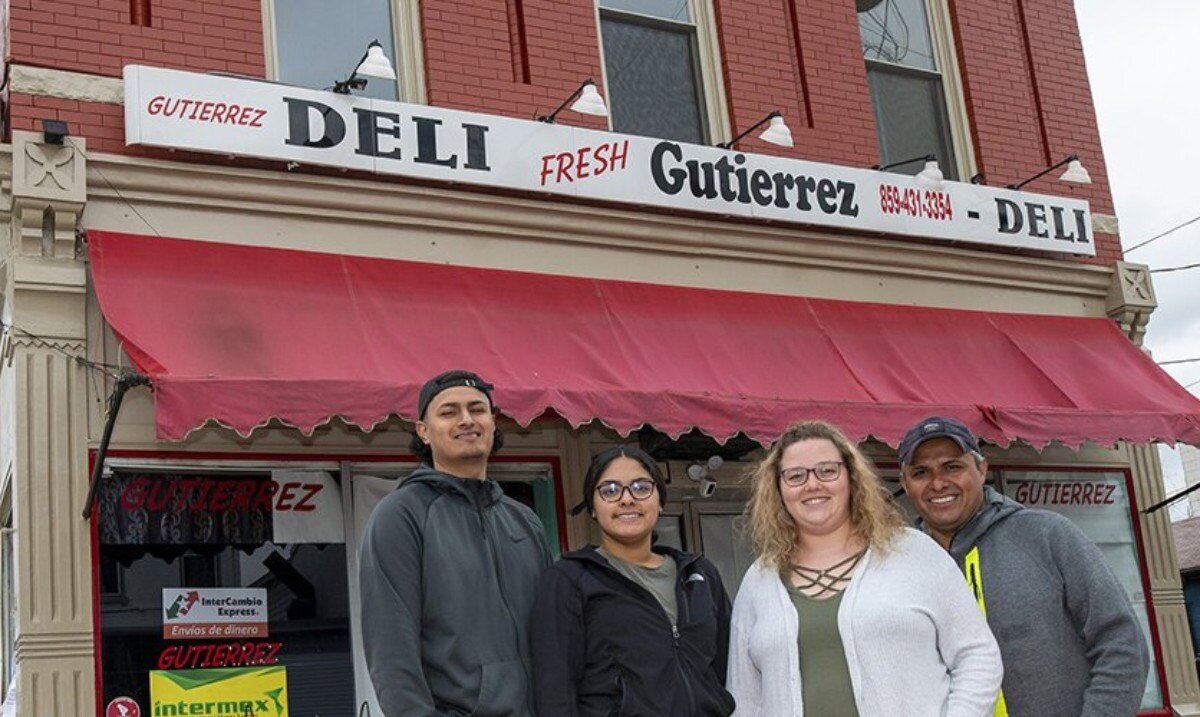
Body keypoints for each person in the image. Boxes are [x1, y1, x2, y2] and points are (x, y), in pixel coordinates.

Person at [728, 420, 1002, 716]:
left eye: (827, 471)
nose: (812, 484)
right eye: (795, 476)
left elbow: (977, 656)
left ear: (851, 478)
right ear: (778, 489)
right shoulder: (759, 580)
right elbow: (744, 698)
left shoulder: (914, 553)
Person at [898, 415, 1149, 716]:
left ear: (981, 469)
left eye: (952, 466)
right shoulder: (899, 567)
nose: (938, 483)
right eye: (921, 472)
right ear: (905, 484)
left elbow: (1122, 644)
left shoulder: (1047, 536)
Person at [359, 369, 553, 717]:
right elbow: (391, 655)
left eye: (477, 409)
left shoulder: (526, 522)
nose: (467, 420)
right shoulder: (400, 516)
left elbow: (553, 636)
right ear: (424, 431)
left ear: (493, 423)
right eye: (449, 412)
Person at [530, 445, 736, 716]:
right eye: (610, 490)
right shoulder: (569, 580)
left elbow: (729, 668)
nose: (627, 499)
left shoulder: (699, 575)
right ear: (593, 507)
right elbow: (554, 692)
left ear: (660, 501)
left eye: (640, 487)